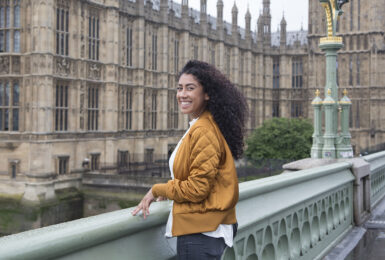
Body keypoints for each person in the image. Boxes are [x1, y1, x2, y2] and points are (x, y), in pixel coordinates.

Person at [132, 60, 248, 259]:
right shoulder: (203, 124)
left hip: (200, 233)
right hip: (204, 231)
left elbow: (197, 189)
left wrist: (157, 189)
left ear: (207, 93)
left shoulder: (203, 130)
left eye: (190, 88)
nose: (182, 94)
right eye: (179, 88)